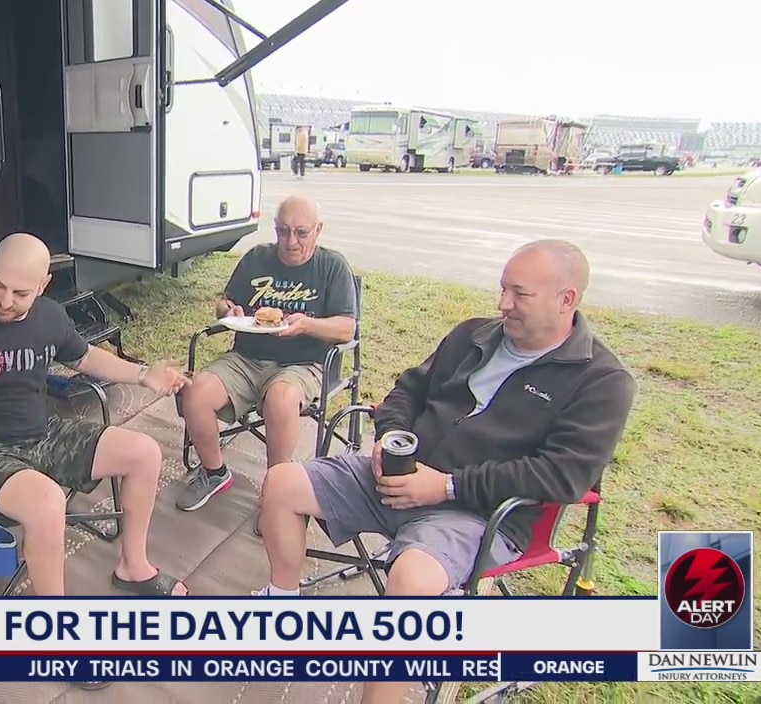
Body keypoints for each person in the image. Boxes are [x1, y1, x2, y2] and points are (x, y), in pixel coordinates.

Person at [252, 239, 636, 703]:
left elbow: (562, 475)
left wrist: (448, 486)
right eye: (503, 288)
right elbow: (408, 390)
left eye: (519, 294)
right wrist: (391, 438)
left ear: (566, 299)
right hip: (402, 475)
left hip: (478, 512)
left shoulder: (601, 381)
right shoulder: (474, 335)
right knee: (282, 483)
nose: (503, 304)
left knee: (411, 582)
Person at [0, 233, 192, 597]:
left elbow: (85, 357)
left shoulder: (51, 316)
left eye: (21, 293)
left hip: (43, 433)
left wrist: (142, 374)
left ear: (43, 285)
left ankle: (133, 567)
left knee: (144, 453)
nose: (5, 301)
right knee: (47, 504)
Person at [175, 196, 357, 522]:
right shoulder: (257, 258)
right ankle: (215, 472)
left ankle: (276, 493)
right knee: (195, 390)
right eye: (283, 231)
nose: (291, 241)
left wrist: (307, 324)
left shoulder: (333, 266)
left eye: (301, 233)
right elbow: (224, 302)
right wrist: (228, 311)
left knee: (282, 399)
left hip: (302, 364)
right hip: (246, 358)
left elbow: (346, 329)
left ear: (318, 230)